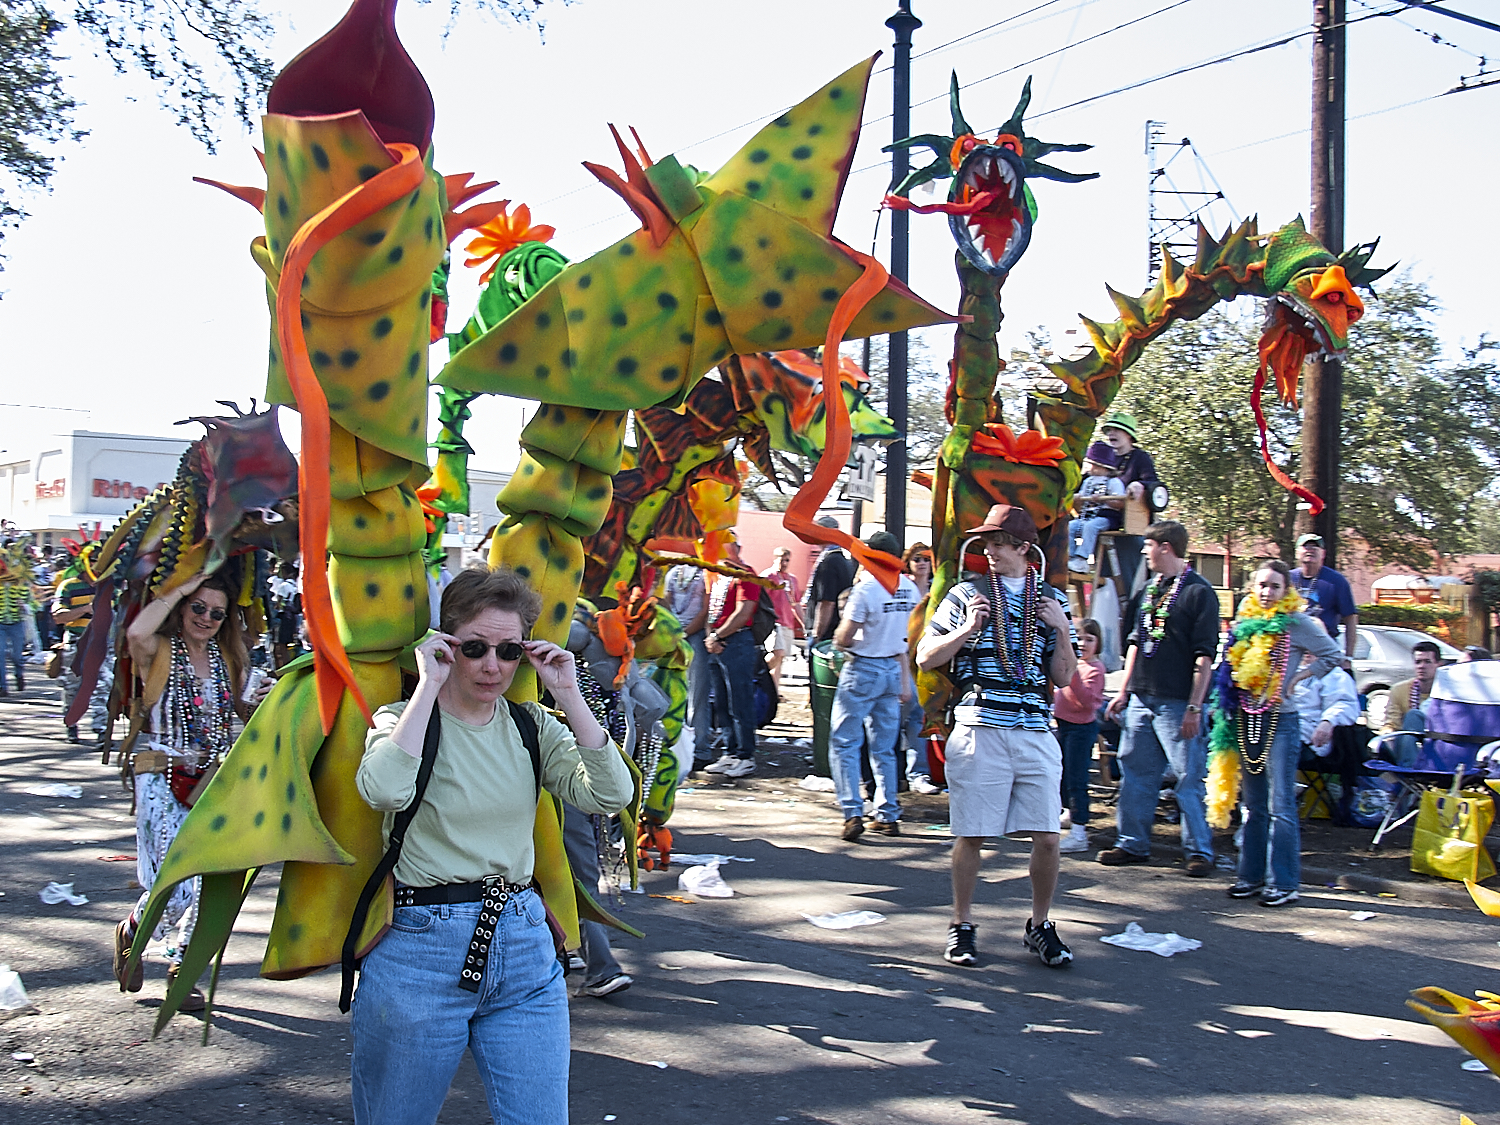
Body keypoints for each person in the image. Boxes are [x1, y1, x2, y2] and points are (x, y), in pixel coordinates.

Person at [352, 565, 631, 1125]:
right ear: (447, 643)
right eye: (475, 647)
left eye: (508, 652)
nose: (492, 666)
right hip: (420, 951)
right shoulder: (403, 721)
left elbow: (610, 793)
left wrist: (569, 692)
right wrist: (427, 686)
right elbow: (383, 790)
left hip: (524, 946)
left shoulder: (533, 727)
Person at [916, 504, 1078, 968]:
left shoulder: (1051, 600)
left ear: (1024, 548)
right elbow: (926, 656)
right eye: (986, 542)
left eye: (999, 543)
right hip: (980, 721)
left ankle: (1040, 924)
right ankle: (962, 923)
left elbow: (1064, 677)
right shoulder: (966, 593)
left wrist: (1061, 630)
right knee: (972, 833)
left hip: (1034, 727)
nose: (989, 551)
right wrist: (968, 629)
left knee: (1048, 836)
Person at [112, 570, 271, 1009]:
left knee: (208, 884)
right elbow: (137, 632)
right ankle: (132, 931)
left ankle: (182, 969)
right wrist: (182, 586)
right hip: (161, 777)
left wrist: (262, 700)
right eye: (197, 607)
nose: (206, 618)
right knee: (175, 887)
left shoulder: (228, 659)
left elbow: (243, 709)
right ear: (182, 608)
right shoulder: (159, 649)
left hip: (210, 782)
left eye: (217, 613)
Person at [1217, 560, 1346, 906]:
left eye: (1275, 586)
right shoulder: (1245, 621)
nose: (1267, 592)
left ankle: (1285, 883)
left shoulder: (1296, 622)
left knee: (1281, 804)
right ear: (1252, 588)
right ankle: (1251, 877)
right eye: (1262, 585)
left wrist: (1298, 678)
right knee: (1253, 804)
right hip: (1247, 718)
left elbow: (1333, 655)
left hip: (1281, 720)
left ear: (1286, 591)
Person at [1099, 521, 1221, 876]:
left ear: (1166, 547)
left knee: (1187, 777)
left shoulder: (1199, 592)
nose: (1145, 553)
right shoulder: (1148, 591)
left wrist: (1195, 706)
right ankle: (1132, 843)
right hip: (1141, 698)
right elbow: (1135, 644)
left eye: (1148, 547)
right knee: (1135, 772)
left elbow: (1204, 657)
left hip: (1178, 702)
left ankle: (1199, 851)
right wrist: (1124, 691)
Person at [828, 531, 919, 841]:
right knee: (885, 747)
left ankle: (852, 812)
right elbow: (907, 638)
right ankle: (888, 813)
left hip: (864, 667)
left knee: (845, 742)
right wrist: (905, 681)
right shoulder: (908, 588)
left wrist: (843, 641)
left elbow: (844, 637)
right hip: (893, 668)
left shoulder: (866, 589)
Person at [701, 537, 765, 779]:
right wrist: (711, 636)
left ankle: (745, 754)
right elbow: (711, 610)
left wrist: (717, 635)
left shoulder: (746, 574)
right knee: (721, 701)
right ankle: (729, 751)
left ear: (736, 548)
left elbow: (744, 611)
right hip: (717, 641)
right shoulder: (717, 574)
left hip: (737, 641)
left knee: (740, 700)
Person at [1095, 413, 1166, 593]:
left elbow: (1153, 484)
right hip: (1102, 525)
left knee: (1129, 581)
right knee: (1104, 582)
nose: (1112, 433)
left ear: (1129, 435)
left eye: (1117, 430)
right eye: (1109, 430)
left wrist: (1140, 484)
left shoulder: (1140, 457)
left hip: (1131, 529)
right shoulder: (1103, 458)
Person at [1055, 619, 1106, 853]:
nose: (1083, 644)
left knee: (1077, 778)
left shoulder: (1095, 669)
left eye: (1089, 639)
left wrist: (1073, 672)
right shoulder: (1071, 663)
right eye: (1079, 638)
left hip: (1081, 729)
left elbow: (1087, 701)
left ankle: (1079, 832)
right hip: (1063, 724)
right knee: (1061, 774)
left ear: (1098, 643)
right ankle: (1068, 812)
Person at [663, 562, 709, 766]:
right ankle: (673, 743)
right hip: (674, 637)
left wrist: (684, 633)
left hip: (695, 636)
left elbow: (705, 609)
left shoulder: (706, 574)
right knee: (670, 690)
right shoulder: (674, 573)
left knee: (696, 694)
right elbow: (667, 602)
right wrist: (672, 632)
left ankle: (700, 748)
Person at [899, 542, 937, 793]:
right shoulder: (902, 588)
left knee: (917, 719)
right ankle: (894, 772)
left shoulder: (938, 590)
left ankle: (918, 774)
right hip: (900, 657)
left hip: (927, 661)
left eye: (926, 559)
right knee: (895, 718)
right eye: (917, 559)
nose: (922, 563)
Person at [1290, 533, 1359, 657]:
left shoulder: (1336, 581)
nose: (1310, 550)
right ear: (1297, 552)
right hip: (1291, 648)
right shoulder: (1286, 579)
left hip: (1324, 648)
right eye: (1306, 546)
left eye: (1315, 547)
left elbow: (1350, 618)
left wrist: (1349, 657)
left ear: (1323, 553)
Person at [1378, 638, 1442, 766]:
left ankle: (1409, 770)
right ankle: (1409, 768)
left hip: (1439, 742)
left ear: (1438, 665)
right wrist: (1387, 732)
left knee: (1414, 715)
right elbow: (1392, 723)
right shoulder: (1399, 690)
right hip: (1407, 743)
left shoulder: (1446, 692)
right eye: (1418, 662)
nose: (1421, 666)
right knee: (1410, 722)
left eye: (1427, 662)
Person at [1067, 443, 1125, 573]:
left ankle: (1082, 559)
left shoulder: (1113, 482)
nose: (1091, 468)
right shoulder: (1088, 481)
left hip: (1106, 517)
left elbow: (1120, 502)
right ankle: (1070, 556)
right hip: (1087, 516)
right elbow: (1082, 495)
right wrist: (1077, 498)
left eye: (1094, 465)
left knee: (1091, 527)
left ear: (1104, 467)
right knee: (1070, 526)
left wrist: (1105, 499)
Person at [806, 515, 856, 644]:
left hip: (826, 634)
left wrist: (817, 634)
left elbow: (827, 602)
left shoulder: (829, 562)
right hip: (836, 629)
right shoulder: (844, 561)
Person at [760, 546, 804, 689]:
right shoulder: (768, 576)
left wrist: (804, 624)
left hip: (787, 623)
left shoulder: (792, 580)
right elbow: (759, 600)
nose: (784, 563)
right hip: (773, 622)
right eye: (781, 559)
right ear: (775, 559)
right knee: (776, 653)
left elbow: (796, 603)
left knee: (780, 658)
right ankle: (756, 671)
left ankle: (774, 691)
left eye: (787, 560)